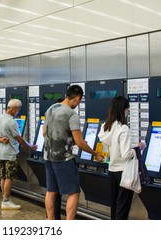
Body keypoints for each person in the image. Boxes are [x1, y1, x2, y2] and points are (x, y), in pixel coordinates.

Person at [43, 85, 103, 220]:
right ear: (76, 99)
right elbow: (80, 142)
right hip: (64, 159)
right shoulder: (71, 114)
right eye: (79, 101)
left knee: (51, 191)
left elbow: (45, 133)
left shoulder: (50, 109)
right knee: (73, 192)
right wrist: (95, 153)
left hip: (48, 157)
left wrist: (68, 140)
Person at [98, 96, 145, 220]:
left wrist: (131, 146)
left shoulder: (107, 127)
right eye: (127, 110)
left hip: (112, 170)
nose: (128, 112)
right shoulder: (123, 129)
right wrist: (137, 148)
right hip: (124, 172)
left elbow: (112, 146)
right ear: (123, 110)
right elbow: (125, 154)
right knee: (123, 207)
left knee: (115, 205)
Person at [0, 99, 37, 210]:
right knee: (9, 177)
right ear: (13, 108)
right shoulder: (12, 122)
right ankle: (6, 201)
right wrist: (31, 146)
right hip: (10, 154)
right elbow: (19, 139)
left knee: (3, 177)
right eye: (18, 109)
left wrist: (1, 140)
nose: (18, 112)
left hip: (0, 154)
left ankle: (4, 199)